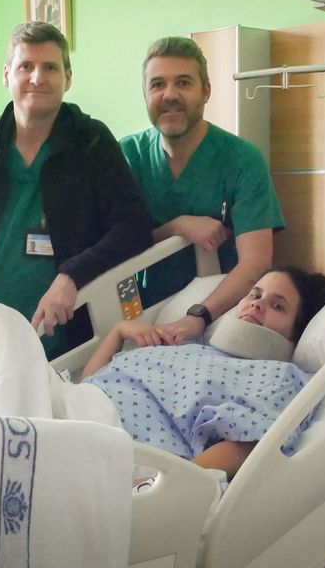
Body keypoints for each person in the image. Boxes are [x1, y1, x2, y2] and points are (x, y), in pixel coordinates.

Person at [0, 22, 152, 356]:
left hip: (72, 329)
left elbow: (133, 228)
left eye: (50, 68)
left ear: (67, 78)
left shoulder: (92, 142)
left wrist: (70, 277)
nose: (37, 78)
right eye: (26, 66)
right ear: (6, 75)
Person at [80, 266, 325, 476]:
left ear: (297, 332)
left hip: (115, 446)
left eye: (277, 306)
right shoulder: (191, 345)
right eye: (254, 295)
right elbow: (90, 383)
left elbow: (252, 442)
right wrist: (119, 331)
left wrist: (166, 485)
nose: (257, 305)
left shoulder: (281, 378)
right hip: (77, 408)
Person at [118, 36, 284, 343]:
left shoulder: (242, 160)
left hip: (221, 316)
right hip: (141, 318)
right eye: (157, 85)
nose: (169, 95)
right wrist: (177, 228)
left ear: (206, 91)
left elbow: (256, 261)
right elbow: (111, 248)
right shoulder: (126, 157)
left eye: (183, 83)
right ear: (144, 94)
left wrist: (198, 316)